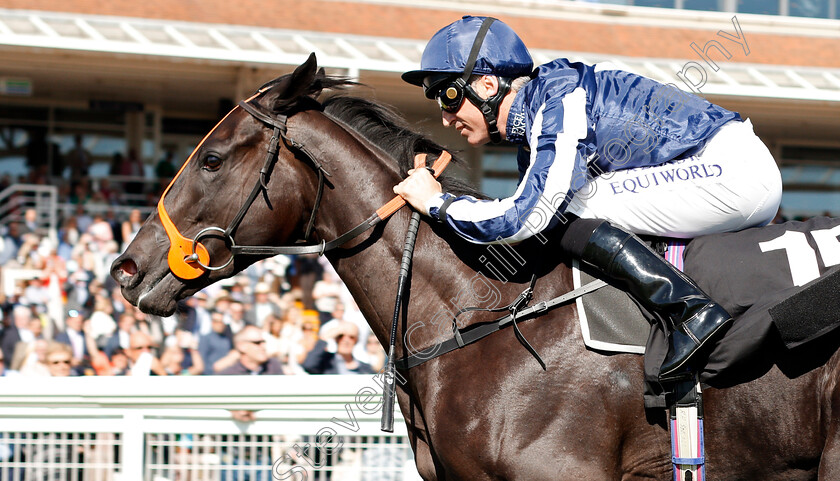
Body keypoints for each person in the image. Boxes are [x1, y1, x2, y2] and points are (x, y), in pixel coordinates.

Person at [396, 16, 783, 382]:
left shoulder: (558, 101)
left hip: (733, 173)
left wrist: (438, 203)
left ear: (485, 85)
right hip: (717, 172)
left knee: (570, 207)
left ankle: (689, 311)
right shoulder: (536, 121)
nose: (446, 118)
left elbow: (528, 218)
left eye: (446, 95)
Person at [302, 321, 376, 375]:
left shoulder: (366, 369)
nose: (346, 340)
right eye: (341, 336)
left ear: (356, 340)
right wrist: (325, 337)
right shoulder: (325, 362)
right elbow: (309, 365)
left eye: (351, 337)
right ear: (335, 338)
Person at [217, 325, 284, 375]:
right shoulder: (230, 376)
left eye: (264, 342)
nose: (263, 346)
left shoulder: (274, 367)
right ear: (242, 346)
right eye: (257, 343)